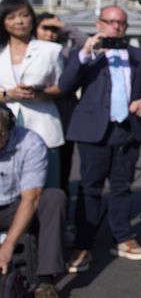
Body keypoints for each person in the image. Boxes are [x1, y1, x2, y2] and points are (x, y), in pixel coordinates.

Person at [59, 6, 141, 273]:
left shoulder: (138, 55)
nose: (116, 27)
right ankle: (84, 245)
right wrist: (85, 53)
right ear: (99, 24)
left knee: (121, 186)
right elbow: (66, 85)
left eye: (121, 23)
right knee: (89, 188)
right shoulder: (85, 55)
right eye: (110, 22)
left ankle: (123, 237)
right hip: (93, 130)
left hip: (127, 129)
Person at [0, 104, 67, 298]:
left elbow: (32, 197)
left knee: (54, 198)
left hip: (17, 204)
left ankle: (45, 281)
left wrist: (7, 246)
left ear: (10, 127)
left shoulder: (31, 143)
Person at [0, 0, 64, 188]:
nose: (19, 22)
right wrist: (8, 94)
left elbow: (61, 87)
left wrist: (41, 93)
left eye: (24, 16)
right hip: (4, 124)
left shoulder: (51, 50)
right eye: (11, 17)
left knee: (45, 185)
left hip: (43, 122)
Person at [35, 14, 88, 198]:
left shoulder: (64, 53)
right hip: (35, 115)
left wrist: (64, 25)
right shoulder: (26, 51)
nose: (50, 34)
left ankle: (59, 212)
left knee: (62, 169)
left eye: (54, 30)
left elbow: (86, 45)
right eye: (45, 28)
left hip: (63, 117)